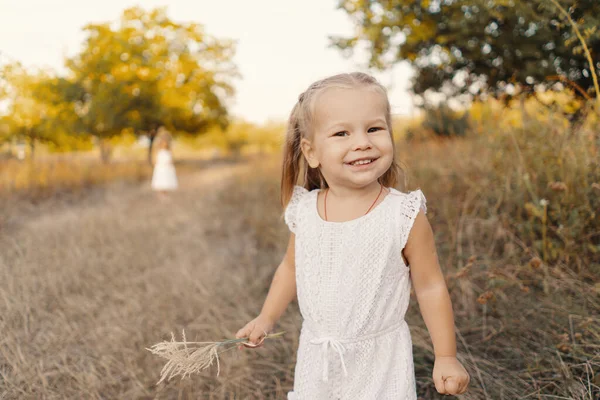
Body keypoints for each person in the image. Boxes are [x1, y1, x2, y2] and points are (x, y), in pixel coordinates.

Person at [235, 72, 470, 399]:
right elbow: (291, 268)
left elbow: (430, 286)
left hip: (380, 360)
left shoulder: (403, 215)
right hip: (318, 357)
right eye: (342, 133)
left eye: (374, 128)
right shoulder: (305, 210)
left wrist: (446, 356)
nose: (362, 142)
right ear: (312, 151)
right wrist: (266, 318)